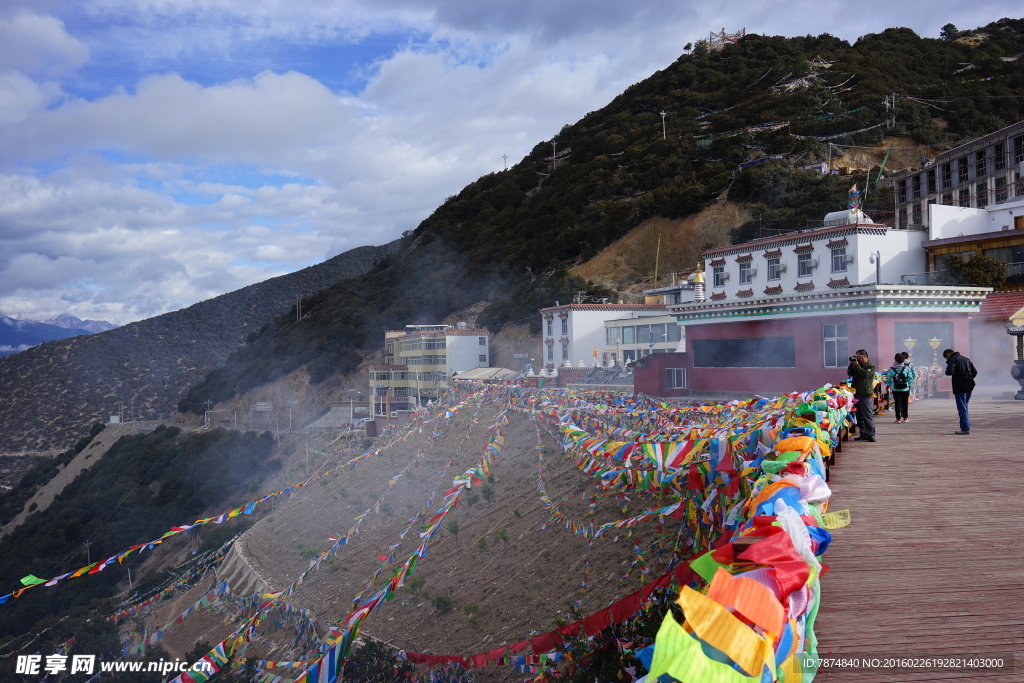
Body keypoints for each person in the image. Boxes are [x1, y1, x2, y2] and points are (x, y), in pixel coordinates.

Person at [943, 348, 978, 434]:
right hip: (969, 385)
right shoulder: (966, 359)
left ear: (948, 355)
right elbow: (975, 372)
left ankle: (965, 428)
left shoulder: (953, 359)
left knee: (962, 408)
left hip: (959, 386)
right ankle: (967, 425)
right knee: (965, 406)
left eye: (946, 358)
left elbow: (949, 371)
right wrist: (968, 379)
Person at [847, 349, 876, 442]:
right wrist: (852, 364)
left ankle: (871, 434)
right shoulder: (856, 365)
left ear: (864, 356)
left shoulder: (870, 366)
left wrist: (856, 365)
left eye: (858, 356)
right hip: (856, 393)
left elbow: (865, 374)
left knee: (867, 415)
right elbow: (849, 373)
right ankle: (863, 433)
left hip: (865, 394)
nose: (857, 358)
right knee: (859, 416)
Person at [884, 352, 916, 423]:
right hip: (905, 388)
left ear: (895, 360)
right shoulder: (906, 368)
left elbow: (888, 378)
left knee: (897, 403)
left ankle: (898, 418)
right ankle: (905, 417)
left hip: (895, 388)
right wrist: (908, 384)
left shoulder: (892, 369)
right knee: (905, 403)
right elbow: (910, 378)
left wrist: (891, 384)